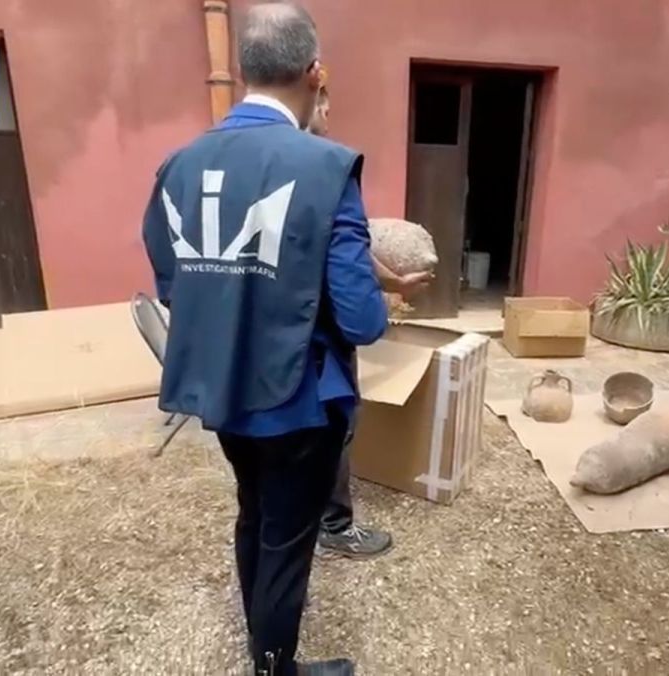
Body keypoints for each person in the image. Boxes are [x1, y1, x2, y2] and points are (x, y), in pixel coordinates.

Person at [142, 4, 381, 674]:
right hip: (299, 399)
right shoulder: (326, 166)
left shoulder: (178, 165)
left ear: (245, 69)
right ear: (315, 73)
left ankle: (263, 654)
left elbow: (172, 279)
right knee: (285, 539)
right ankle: (275, 668)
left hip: (222, 390)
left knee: (254, 513)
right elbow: (362, 320)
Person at [306, 84, 433, 559]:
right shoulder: (327, 170)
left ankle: (297, 523)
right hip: (321, 337)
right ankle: (334, 526)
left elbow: (350, 246)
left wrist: (396, 282)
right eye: (324, 103)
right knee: (335, 424)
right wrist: (376, 307)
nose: (329, 112)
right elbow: (360, 314)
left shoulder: (257, 169)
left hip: (276, 337)